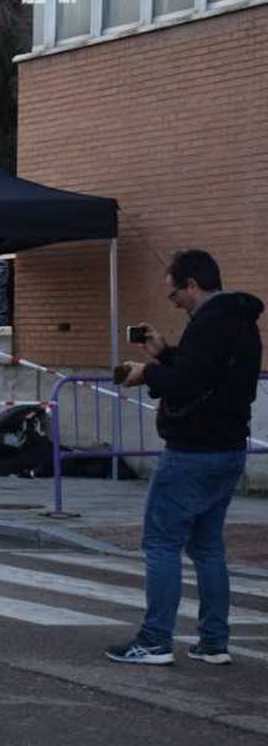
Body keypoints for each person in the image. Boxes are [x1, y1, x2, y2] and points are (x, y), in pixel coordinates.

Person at [106, 249, 263, 666]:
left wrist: (147, 373)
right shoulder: (243, 322)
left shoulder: (208, 324)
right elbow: (209, 375)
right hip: (229, 448)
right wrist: (165, 353)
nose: (173, 302)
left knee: (160, 541)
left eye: (175, 294)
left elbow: (190, 383)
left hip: (193, 451)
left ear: (192, 285)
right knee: (207, 546)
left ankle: (156, 639)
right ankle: (214, 640)